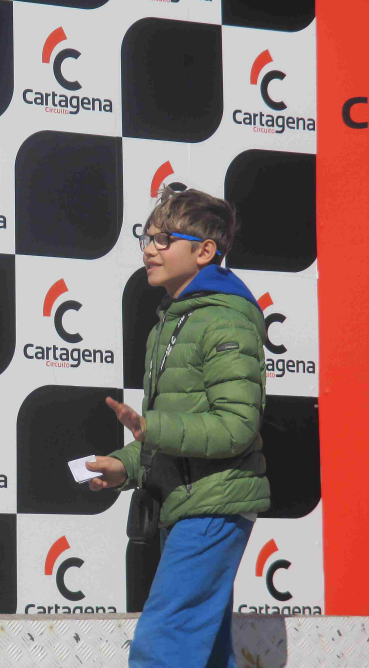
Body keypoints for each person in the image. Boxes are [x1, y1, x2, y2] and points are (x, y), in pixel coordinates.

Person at [85, 188, 270, 668]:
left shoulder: (225, 322)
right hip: (190, 501)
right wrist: (125, 466)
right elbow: (176, 427)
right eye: (146, 238)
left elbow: (236, 426)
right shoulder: (169, 323)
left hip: (214, 503)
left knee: (163, 643)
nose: (149, 249)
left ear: (205, 251)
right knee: (207, 652)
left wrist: (152, 428)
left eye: (164, 239)